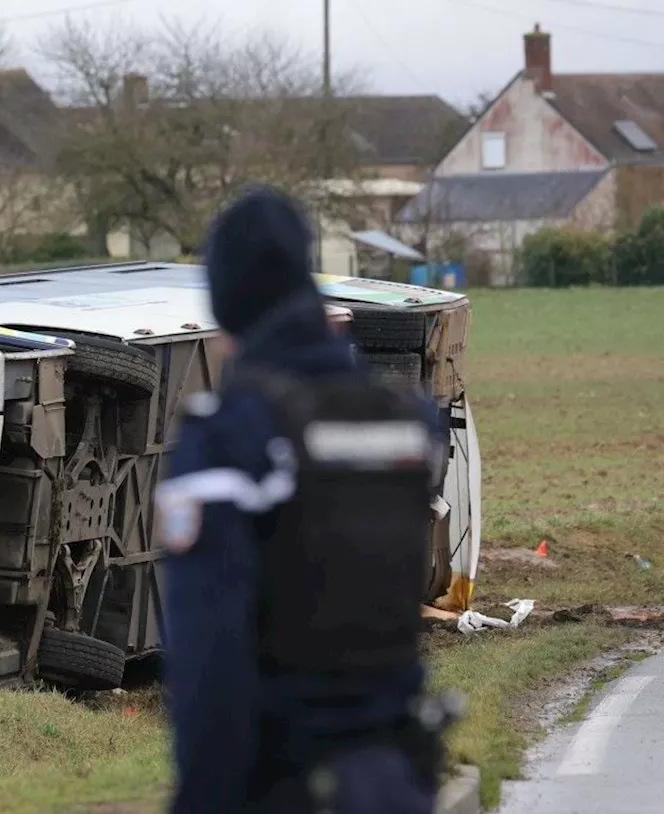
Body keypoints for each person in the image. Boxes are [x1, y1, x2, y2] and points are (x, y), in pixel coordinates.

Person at [154, 186, 452, 813]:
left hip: (286, 782)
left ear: (227, 299)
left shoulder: (229, 438)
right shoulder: (407, 424)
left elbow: (211, 663)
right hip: (394, 780)